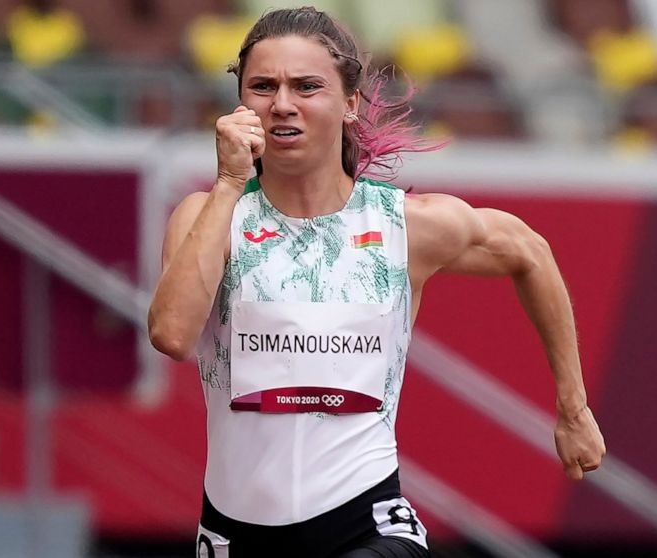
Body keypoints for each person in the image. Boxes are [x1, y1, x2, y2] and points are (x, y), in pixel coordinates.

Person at [147, 7, 606, 557]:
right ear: (241, 106)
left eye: (307, 86)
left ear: (350, 104)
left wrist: (572, 407)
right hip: (234, 535)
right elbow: (172, 336)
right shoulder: (209, 216)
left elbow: (530, 252)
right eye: (263, 87)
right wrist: (228, 183)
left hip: (367, 526)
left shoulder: (404, 224)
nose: (283, 104)